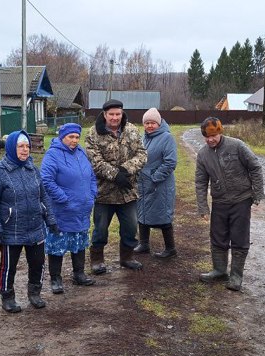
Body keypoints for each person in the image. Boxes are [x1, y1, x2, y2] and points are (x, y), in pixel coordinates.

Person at [0, 130, 57, 312]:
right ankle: (7, 296)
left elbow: (44, 196)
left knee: (38, 263)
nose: (25, 150)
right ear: (11, 148)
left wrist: (51, 219)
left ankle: (35, 293)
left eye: (27, 146)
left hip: (35, 226)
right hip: (10, 229)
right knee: (9, 267)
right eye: (20, 146)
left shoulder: (33, 169)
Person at [195, 116, 265, 291]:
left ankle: (236, 276)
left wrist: (257, 193)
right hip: (219, 201)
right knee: (218, 237)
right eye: (206, 136)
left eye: (213, 135)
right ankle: (219, 270)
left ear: (220, 132)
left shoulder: (237, 146)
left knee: (239, 238)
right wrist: (203, 206)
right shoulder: (203, 154)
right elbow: (200, 182)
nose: (210, 139)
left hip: (241, 200)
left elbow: (255, 167)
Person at [85, 99, 147, 273]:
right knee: (100, 229)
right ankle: (97, 260)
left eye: (117, 114)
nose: (114, 117)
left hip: (128, 191)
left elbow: (142, 154)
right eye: (111, 114)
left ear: (122, 114)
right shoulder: (93, 134)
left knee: (130, 227)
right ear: (104, 115)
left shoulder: (132, 130)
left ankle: (127, 257)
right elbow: (95, 161)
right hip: (104, 193)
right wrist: (114, 175)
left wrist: (125, 171)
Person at [40, 122, 97, 291]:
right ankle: (55, 279)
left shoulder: (81, 153)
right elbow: (46, 180)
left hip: (81, 209)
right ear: (62, 137)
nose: (74, 140)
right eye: (71, 137)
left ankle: (79, 274)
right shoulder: (52, 155)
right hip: (62, 210)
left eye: (77, 137)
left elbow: (91, 176)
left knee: (79, 241)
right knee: (57, 244)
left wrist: (93, 193)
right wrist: (63, 198)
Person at [134, 107, 178, 259]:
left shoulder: (167, 138)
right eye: (147, 123)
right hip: (142, 184)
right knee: (142, 213)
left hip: (160, 185)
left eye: (153, 123)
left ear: (159, 123)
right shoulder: (143, 138)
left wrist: (154, 177)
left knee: (162, 215)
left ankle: (171, 248)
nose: (150, 126)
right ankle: (144, 244)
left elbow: (170, 162)